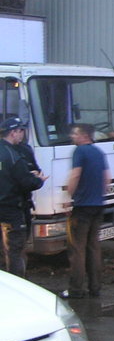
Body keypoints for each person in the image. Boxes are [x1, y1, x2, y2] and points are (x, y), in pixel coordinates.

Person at [64, 123, 111, 298]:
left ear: (84, 136)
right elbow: (108, 178)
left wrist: (68, 197)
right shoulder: (99, 152)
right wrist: (97, 194)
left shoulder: (80, 151)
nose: (72, 136)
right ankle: (95, 288)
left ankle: (76, 289)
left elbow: (76, 174)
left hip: (82, 207)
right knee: (94, 247)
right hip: (98, 206)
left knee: (77, 249)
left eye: (75, 134)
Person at [0, 117, 47, 277]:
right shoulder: (14, 156)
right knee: (16, 251)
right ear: (13, 132)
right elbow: (27, 182)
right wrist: (38, 180)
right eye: (21, 131)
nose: (23, 134)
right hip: (13, 209)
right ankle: (17, 284)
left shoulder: (13, 151)